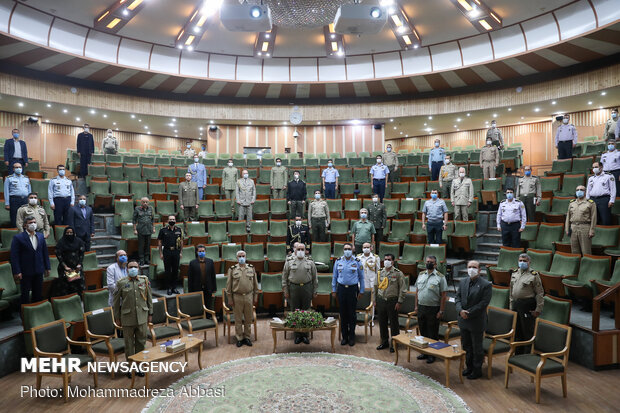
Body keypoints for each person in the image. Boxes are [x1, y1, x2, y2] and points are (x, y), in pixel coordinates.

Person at [113, 260, 152, 378]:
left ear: (139, 268)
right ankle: (130, 368)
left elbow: (149, 298)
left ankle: (139, 367)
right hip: (127, 318)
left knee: (141, 343)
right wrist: (117, 317)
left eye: (135, 267)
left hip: (142, 317)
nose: (133, 269)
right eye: (131, 267)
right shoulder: (121, 283)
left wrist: (151, 314)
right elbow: (116, 302)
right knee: (129, 344)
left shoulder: (144, 280)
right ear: (127, 269)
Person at [456, 260, 492, 380]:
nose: (471, 269)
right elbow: (457, 298)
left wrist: (469, 313)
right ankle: (469, 367)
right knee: (466, 345)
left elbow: (483, 303)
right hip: (463, 320)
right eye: (469, 267)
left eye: (474, 267)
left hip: (476, 320)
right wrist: (460, 310)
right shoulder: (463, 282)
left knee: (477, 347)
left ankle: (477, 370)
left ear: (479, 270)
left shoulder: (486, 284)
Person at [282, 243, 318, 344]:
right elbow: (284, 277)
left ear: (305, 250)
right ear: (295, 250)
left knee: (306, 311)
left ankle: (305, 335)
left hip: (307, 288)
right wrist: (285, 290)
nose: (301, 251)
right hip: (293, 288)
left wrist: (315, 290)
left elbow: (315, 277)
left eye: (303, 249)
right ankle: (297, 335)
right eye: (299, 249)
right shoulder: (289, 261)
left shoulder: (310, 261)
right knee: (295, 311)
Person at [414, 255, 448, 364]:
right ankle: (424, 352)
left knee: (432, 333)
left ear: (435, 264)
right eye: (427, 261)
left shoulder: (440, 277)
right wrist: (416, 306)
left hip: (433, 308)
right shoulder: (420, 275)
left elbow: (443, 295)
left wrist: (441, 310)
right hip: (421, 307)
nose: (429, 263)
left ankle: (432, 354)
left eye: (431, 262)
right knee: (423, 331)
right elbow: (417, 292)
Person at [10, 216, 50, 304]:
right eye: (30, 223)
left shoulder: (40, 236)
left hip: (39, 270)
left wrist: (47, 267)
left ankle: (36, 313)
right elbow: (14, 256)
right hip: (25, 271)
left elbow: (45, 253)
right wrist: (17, 271)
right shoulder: (18, 238)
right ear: (25, 225)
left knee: (38, 294)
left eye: (34, 222)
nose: (33, 224)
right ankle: (25, 315)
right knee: (25, 295)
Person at [510, 254, 544, 354]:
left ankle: (527, 354)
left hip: (527, 305)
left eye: (524, 260)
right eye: (520, 260)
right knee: (517, 330)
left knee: (527, 331)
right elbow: (511, 291)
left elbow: (539, 293)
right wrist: (511, 306)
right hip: (516, 304)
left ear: (529, 262)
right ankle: (518, 353)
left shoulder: (534, 275)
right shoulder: (514, 273)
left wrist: (538, 309)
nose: (522, 262)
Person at [332, 243, 364, 346]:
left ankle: (352, 337)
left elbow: (361, 277)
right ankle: (344, 337)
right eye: (345, 249)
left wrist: (362, 291)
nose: (347, 251)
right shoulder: (338, 261)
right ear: (343, 250)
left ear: (352, 250)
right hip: (341, 289)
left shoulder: (357, 262)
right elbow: (334, 277)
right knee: (343, 314)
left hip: (352, 289)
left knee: (352, 314)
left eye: (349, 249)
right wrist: (334, 290)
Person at [226, 250, 259, 347]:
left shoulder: (251, 268)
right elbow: (228, 287)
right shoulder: (232, 269)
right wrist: (230, 299)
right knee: (238, 319)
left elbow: (255, 284)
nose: (241, 258)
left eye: (243, 256)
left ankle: (247, 337)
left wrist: (255, 296)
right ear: (237, 258)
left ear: (246, 257)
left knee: (248, 318)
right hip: (237, 297)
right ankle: (239, 338)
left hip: (249, 296)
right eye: (239, 256)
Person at [375, 253, 406, 353]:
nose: (386, 261)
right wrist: (374, 300)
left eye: (389, 259)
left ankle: (394, 343)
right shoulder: (380, 272)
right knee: (382, 322)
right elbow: (375, 287)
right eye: (385, 259)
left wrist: (400, 301)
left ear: (393, 261)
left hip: (392, 301)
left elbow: (402, 289)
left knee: (394, 323)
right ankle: (384, 341)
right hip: (381, 300)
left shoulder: (398, 273)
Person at [51, 226, 85, 297]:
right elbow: (58, 255)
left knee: (79, 286)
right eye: (67, 233)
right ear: (64, 233)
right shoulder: (61, 242)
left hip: (76, 268)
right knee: (65, 288)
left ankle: (79, 302)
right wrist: (65, 267)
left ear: (74, 233)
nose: (69, 234)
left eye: (71, 232)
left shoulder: (79, 241)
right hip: (65, 268)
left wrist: (79, 264)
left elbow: (81, 254)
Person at [566, 186, 596, 255]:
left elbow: (594, 217)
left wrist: (592, 230)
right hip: (573, 227)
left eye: (581, 190)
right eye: (577, 190)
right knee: (574, 251)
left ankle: (587, 265)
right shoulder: (572, 203)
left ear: (585, 192)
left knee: (586, 251)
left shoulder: (590, 203)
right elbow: (568, 217)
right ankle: (576, 265)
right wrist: (567, 229)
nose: (579, 191)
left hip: (585, 227)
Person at [158, 215, 183, 295]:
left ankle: (174, 287)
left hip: (176, 251)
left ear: (175, 221)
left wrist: (181, 252)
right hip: (167, 251)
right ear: (167, 221)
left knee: (175, 270)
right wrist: (161, 253)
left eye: (173, 219)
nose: (172, 220)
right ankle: (168, 288)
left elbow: (181, 242)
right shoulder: (163, 230)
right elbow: (159, 242)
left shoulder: (179, 230)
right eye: (170, 219)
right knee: (168, 270)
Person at [188, 244, 216, 310]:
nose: (201, 253)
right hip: (197, 287)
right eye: (200, 251)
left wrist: (214, 288)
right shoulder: (192, 263)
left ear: (205, 251)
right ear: (197, 252)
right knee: (198, 305)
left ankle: (208, 317)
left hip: (208, 287)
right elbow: (190, 278)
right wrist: (190, 291)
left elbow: (213, 276)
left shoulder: (210, 261)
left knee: (208, 304)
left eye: (203, 251)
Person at [586, 161, 615, 225]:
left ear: (601, 167)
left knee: (605, 219)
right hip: (592, 200)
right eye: (593, 167)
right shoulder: (591, 178)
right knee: (594, 220)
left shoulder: (609, 176)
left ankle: (607, 234)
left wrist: (612, 200)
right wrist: (587, 200)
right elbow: (588, 190)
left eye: (596, 167)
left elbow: (613, 189)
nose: (594, 169)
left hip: (604, 200)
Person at [357, 242, 379, 323]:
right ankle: (361, 318)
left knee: (371, 301)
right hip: (361, 282)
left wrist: (377, 283)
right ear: (362, 248)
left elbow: (378, 272)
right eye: (364, 247)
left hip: (371, 282)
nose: (366, 249)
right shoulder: (358, 257)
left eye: (367, 247)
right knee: (361, 300)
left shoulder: (375, 258)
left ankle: (370, 319)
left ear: (371, 248)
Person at [4, 162, 31, 227]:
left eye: (20, 167)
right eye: (16, 167)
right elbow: (6, 191)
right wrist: (7, 203)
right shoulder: (9, 178)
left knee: (26, 219)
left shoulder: (26, 178)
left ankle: (24, 235)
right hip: (14, 200)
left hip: (25, 200)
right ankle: (15, 235)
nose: (18, 169)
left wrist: (30, 201)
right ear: (13, 169)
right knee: (14, 218)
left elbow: (29, 190)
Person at [133, 197, 155, 266]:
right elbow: (134, 220)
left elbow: (153, 219)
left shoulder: (151, 209)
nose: (145, 203)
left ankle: (146, 259)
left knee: (148, 245)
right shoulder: (137, 209)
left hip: (149, 229)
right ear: (141, 202)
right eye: (143, 202)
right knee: (141, 245)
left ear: (148, 203)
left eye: (146, 202)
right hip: (141, 230)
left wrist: (153, 228)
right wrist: (135, 229)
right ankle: (141, 259)